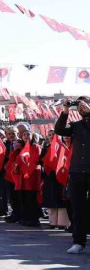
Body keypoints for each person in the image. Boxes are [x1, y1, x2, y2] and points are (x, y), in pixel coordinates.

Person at [57, 97, 90, 253]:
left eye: (85, 104)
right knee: (77, 207)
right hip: (77, 171)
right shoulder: (76, 125)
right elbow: (59, 130)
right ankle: (78, 241)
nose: (82, 107)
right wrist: (66, 110)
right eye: (80, 105)